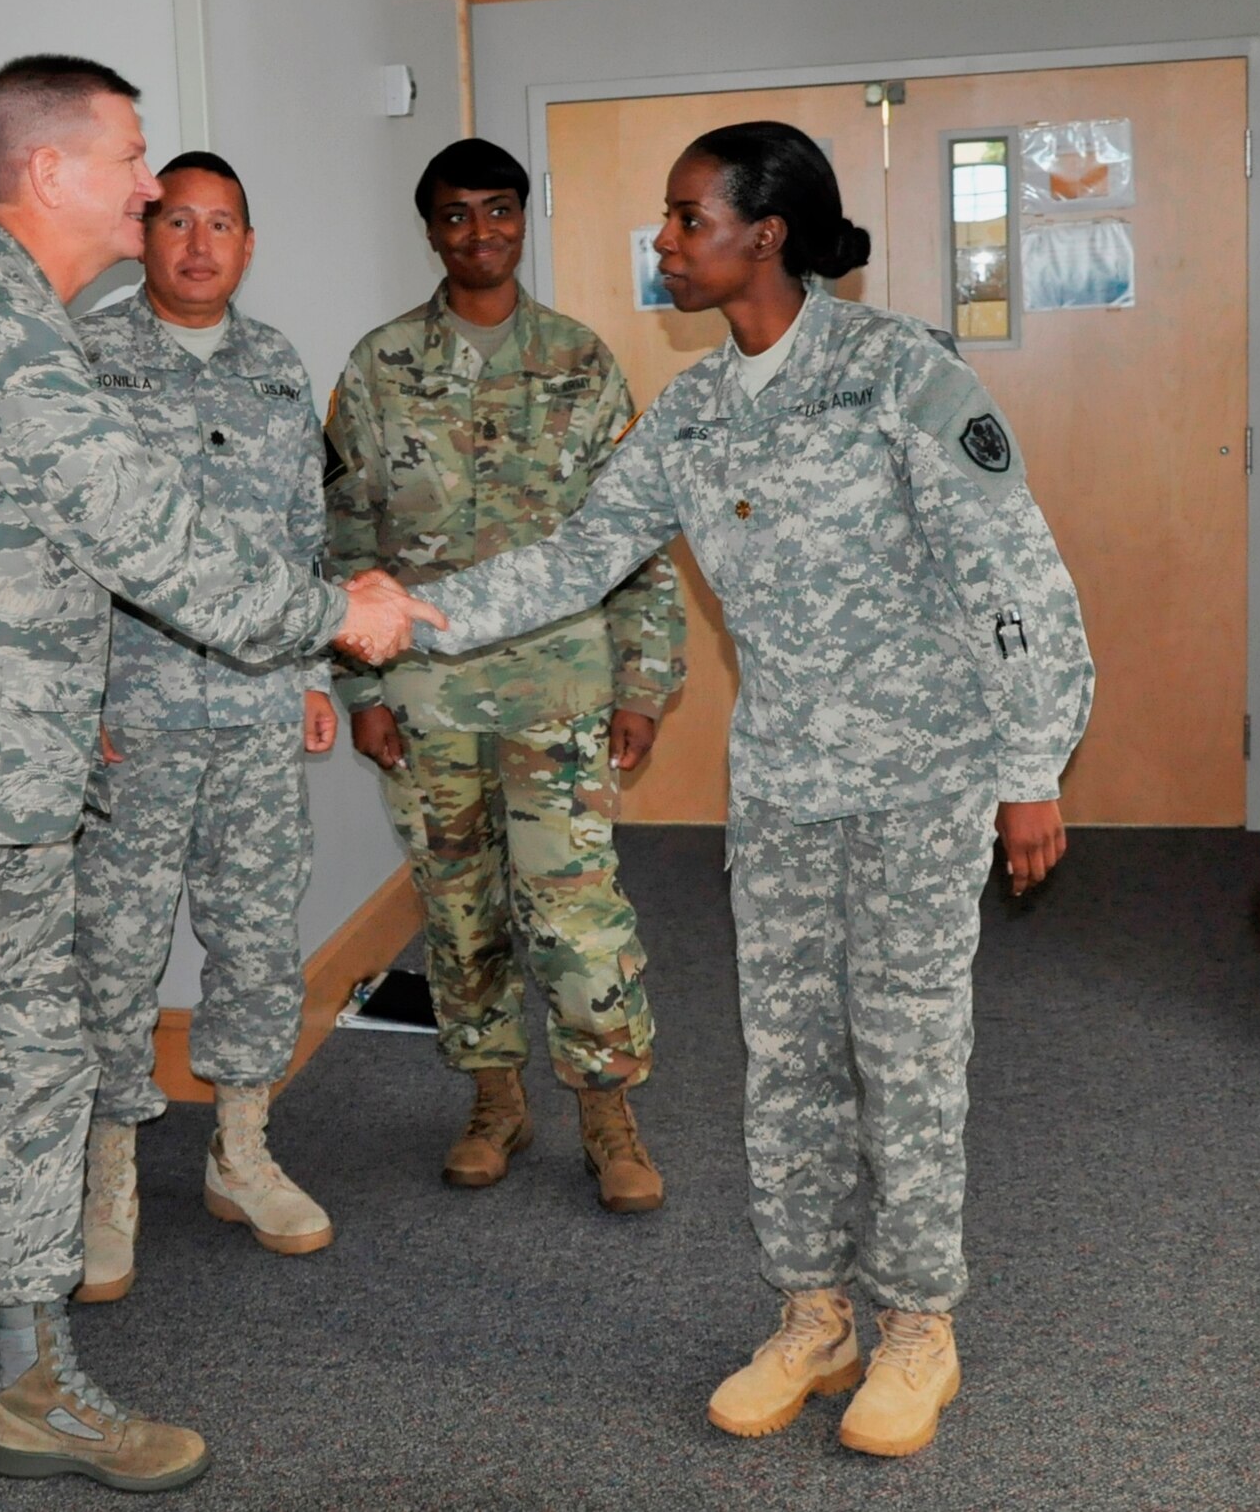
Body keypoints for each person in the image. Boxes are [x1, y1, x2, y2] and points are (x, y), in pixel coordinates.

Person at [400, 121, 1093, 1458]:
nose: (662, 243)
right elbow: (576, 555)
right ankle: (814, 1310)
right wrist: (410, 614)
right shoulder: (698, 414)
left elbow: (1015, 580)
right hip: (783, 786)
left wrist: (1029, 767)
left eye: (683, 220)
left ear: (764, 235)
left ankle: (918, 1326)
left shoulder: (902, 375)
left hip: (920, 777)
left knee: (903, 1058)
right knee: (783, 1063)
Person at [0, 56, 435, 1492]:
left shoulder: (34, 327)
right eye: (131, 162)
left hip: (22, 815)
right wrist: (335, 615)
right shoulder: (1, 342)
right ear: (49, 175)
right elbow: (150, 531)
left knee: (37, 1092)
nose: (155, 190)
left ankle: (35, 1384)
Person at [325, 139, 685, 1209]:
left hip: (559, 688)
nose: (477, 234)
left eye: (497, 212)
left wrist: (642, 681)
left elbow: (638, 537)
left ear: (523, 220)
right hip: (426, 696)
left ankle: (608, 1112)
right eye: (453, 216)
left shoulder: (580, 360)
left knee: (576, 912)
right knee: (459, 909)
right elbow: (343, 543)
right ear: (428, 229)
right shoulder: (378, 368)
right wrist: (360, 690)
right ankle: (494, 1100)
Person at [71, 152, 338, 1307]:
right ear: (143, 233)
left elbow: (305, 535)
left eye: (220, 222)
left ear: (247, 240)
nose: (197, 242)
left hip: (258, 705)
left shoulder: (277, 365)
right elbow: (55, 550)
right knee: (114, 948)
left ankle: (240, 1148)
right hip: (131, 709)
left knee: (257, 936)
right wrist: (73, 698)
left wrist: (315, 665)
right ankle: (107, 1169)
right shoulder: (86, 363)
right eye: (175, 219)